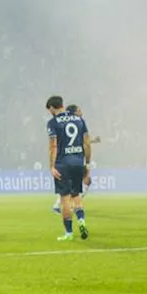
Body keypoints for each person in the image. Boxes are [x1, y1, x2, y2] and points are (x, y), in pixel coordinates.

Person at [46, 96, 92, 241]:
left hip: (62, 164)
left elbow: (53, 146)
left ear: (52, 108)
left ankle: (69, 233)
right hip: (78, 162)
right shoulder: (79, 120)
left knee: (65, 198)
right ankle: (81, 221)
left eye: (49, 110)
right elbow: (87, 143)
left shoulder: (53, 122)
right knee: (76, 195)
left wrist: (52, 166)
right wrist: (87, 162)